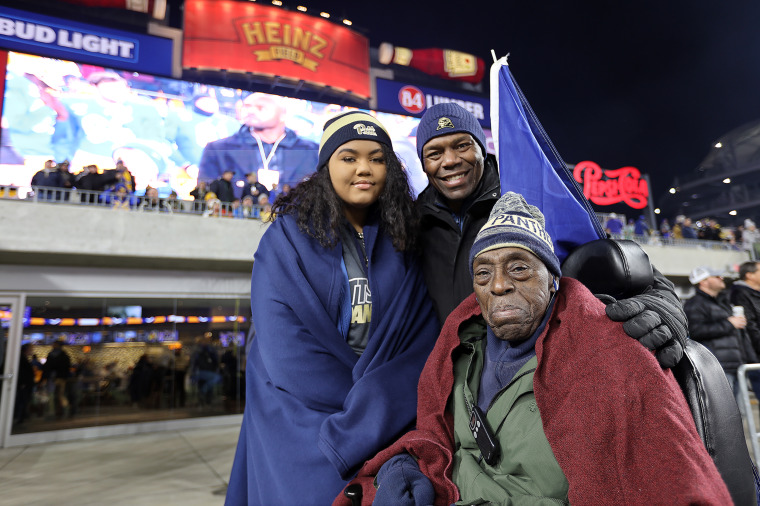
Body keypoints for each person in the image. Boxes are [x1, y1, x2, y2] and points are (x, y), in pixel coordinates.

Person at [337, 193, 731, 505]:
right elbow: (435, 439)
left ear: (553, 279)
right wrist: (406, 466)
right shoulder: (459, 348)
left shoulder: (609, 355)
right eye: (483, 273)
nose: (499, 285)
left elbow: (672, 482)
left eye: (519, 267)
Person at [225, 111, 440, 505]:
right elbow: (284, 347)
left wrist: (375, 413)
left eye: (377, 158)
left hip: (382, 419)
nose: (365, 169)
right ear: (326, 166)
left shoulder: (403, 239)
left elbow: (419, 340)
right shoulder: (286, 238)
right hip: (298, 419)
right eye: (349, 157)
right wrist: (359, 419)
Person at [413, 103, 687, 367]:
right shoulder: (411, 224)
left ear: (482, 149)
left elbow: (627, 268)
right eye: (435, 153)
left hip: (538, 376)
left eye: (462, 146)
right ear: (423, 163)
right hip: (458, 383)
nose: (450, 161)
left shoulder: (535, 197)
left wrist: (663, 310)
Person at [197, 92, 318, 189]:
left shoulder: (313, 152)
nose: (251, 111)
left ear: (283, 114)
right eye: (247, 107)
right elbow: (205, 191)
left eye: (260, 108)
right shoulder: (218, 149)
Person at [684, 266, 754, 408]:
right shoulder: (695, 304)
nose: (721, 278)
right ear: (703, 282)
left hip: (735, 364)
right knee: (727, 413)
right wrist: (729, 324)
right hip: (719, 367)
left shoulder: (722, 302)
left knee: (739, 413)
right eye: (716, 277)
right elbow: (695, 331)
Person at [42, 339, 71, 418]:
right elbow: (67, 368)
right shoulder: (65, 356)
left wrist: (44, 378)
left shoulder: (51, 355)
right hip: (61, 378)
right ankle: (65, 410)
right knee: (60, 395)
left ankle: (52, 411)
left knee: (52, 395)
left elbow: (47, 367)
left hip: (54, 378)